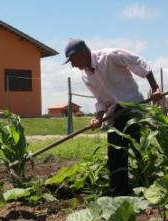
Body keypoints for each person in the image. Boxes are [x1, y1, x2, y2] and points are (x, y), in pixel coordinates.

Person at [64, 38, 162, 196]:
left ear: (83, 53)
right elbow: (101, 100)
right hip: (115, 113)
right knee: (115, 155)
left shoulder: (109, 56)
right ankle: (119, 193)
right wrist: (97, 117)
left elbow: (138, 62)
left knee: (139, 151)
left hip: (133, 108)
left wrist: (155, 87)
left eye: (73, 60)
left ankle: (148, 190)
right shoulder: (86, 76)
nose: (73, 65)